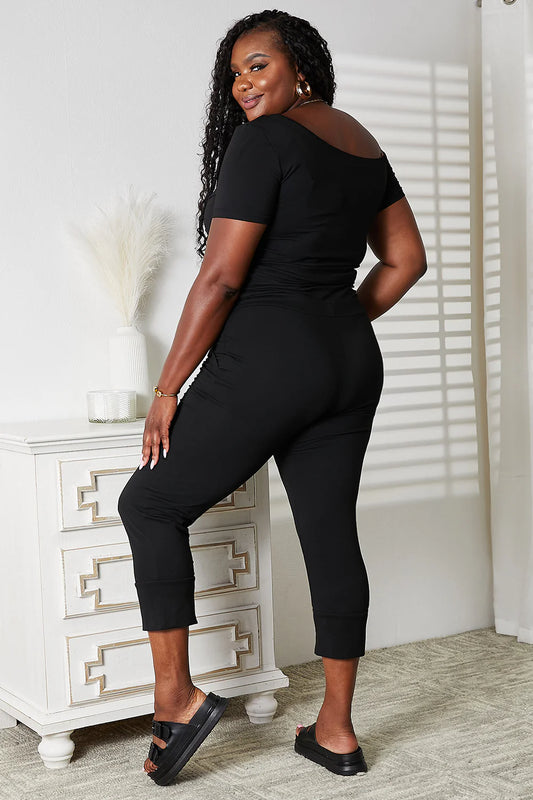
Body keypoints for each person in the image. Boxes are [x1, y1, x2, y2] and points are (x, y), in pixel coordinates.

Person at [117, 8, 426, 785]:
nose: (243, 85)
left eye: (258, 65)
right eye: (234, 74)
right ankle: (335, 731)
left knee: (148, 504)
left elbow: (221, 277)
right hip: (349, 365)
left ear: (301, 67)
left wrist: (166, 387)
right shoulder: (360, 142)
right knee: (330, 533)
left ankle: (177, 701)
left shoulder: (265, 141)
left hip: (266, 360)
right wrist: (332, 326)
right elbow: (405, 260)